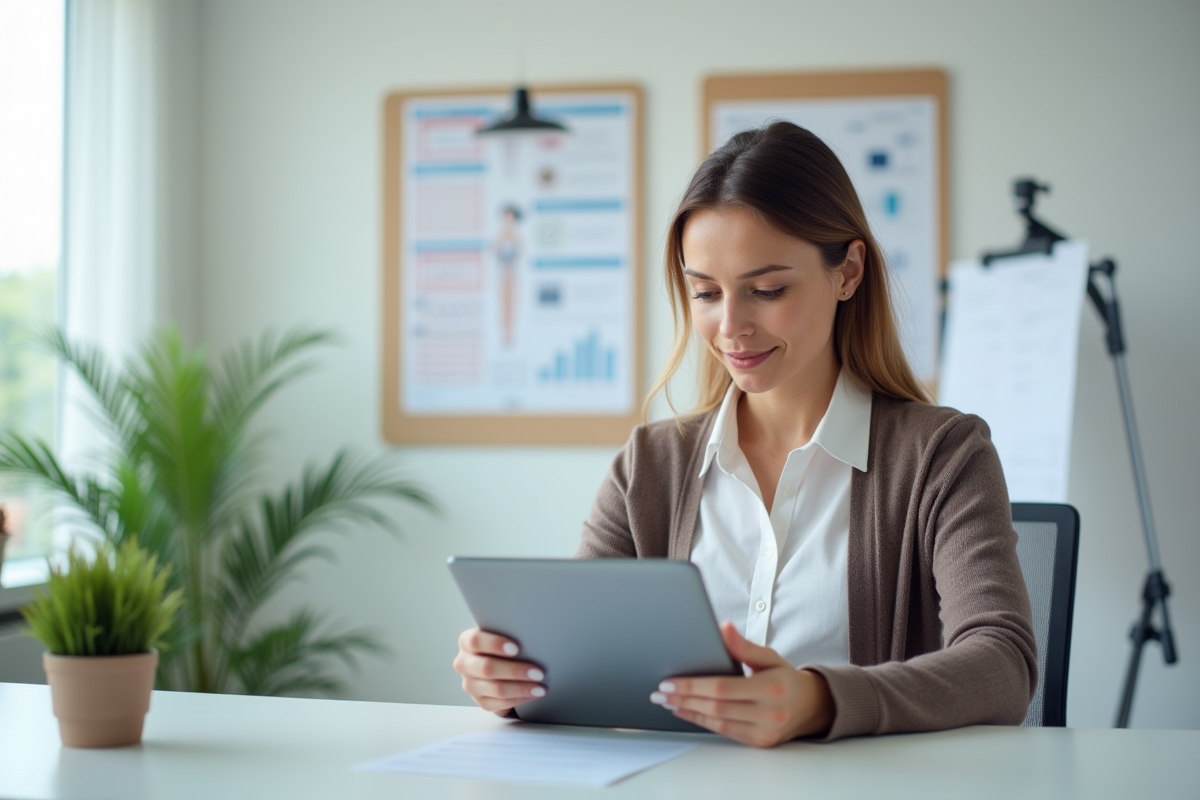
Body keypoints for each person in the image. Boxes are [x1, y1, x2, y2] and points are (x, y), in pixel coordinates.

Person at [453, 121, 1036, 747]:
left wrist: (819, 701)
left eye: (767, 290)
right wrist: (515, 680)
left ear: (848, 272)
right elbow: (580, 657)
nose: (731, 327)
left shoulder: (942, 455)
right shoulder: (650, 465)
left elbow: (1003, 663)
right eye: (704, 292)